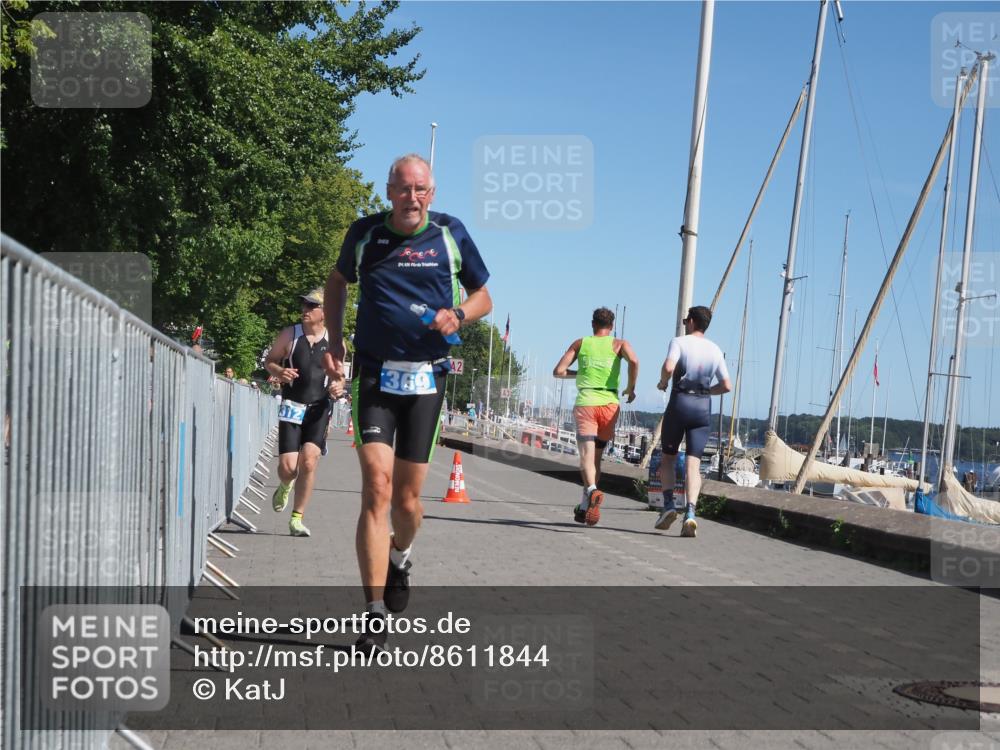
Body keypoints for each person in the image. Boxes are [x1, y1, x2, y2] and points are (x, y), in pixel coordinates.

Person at [324, 154, 492, 651]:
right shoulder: (365, 234)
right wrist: (334, 341)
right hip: (375, 375)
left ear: (431, 194)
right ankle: (374, 614)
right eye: (403, 188)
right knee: (376, 487)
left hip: (426, 379)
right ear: (389, 191)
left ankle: (400, 556)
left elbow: (484, 296)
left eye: (420, 189)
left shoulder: (449, 233)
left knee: (407, 501)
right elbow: (337, 282)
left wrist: (458, 314)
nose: (411, 197)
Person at [552, 307, 639, 526]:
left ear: (593, 324)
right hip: (610, 404)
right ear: (612, 326)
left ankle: (591, 490)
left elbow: (559, 371)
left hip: (587, 403)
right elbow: (634, 362)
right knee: (596, 458)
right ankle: (584, 506)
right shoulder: (619, 344)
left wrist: (580, 374)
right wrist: (631, 388)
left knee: (586, 456)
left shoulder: (581, 343)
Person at [654, 306, 732, 538]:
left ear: (691, 321)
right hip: (702, 408)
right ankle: (690, 513)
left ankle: (669, 506)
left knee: (668, 458)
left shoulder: (679, 342)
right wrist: (707, 391)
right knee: (693, 465)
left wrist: (663, 382)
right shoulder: (715, 349)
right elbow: (726, 385)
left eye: (685, 320)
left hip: (680, 403)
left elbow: (669, 367)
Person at [263, 287, 335, 537]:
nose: (305, 310)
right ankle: (285, 484)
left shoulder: (334, 340)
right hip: (292, 405)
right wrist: (279, 371)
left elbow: (339, 374)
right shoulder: (290, 334)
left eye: (311, 306)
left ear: (324, 312)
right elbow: (269, 361)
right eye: (304, 305)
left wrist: (337, 385)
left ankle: (297, 518)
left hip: (319, 408)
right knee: (288, 468)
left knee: (309, 461)